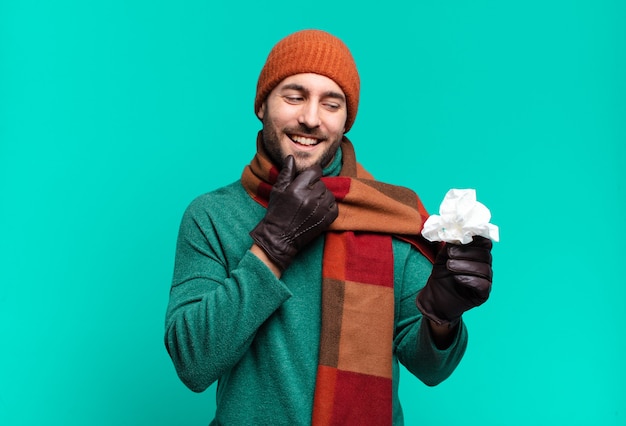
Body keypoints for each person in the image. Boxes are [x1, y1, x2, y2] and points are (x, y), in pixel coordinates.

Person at [164, 29, 493, 425]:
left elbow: (431, 368)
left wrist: (444, 317)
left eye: (331, 103)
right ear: (262, 106)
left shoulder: (390, 214)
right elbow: (193, 361)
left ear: (345, 120)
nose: (310, 118)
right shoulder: (212, 216)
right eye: (294, 96)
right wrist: (272, 245)